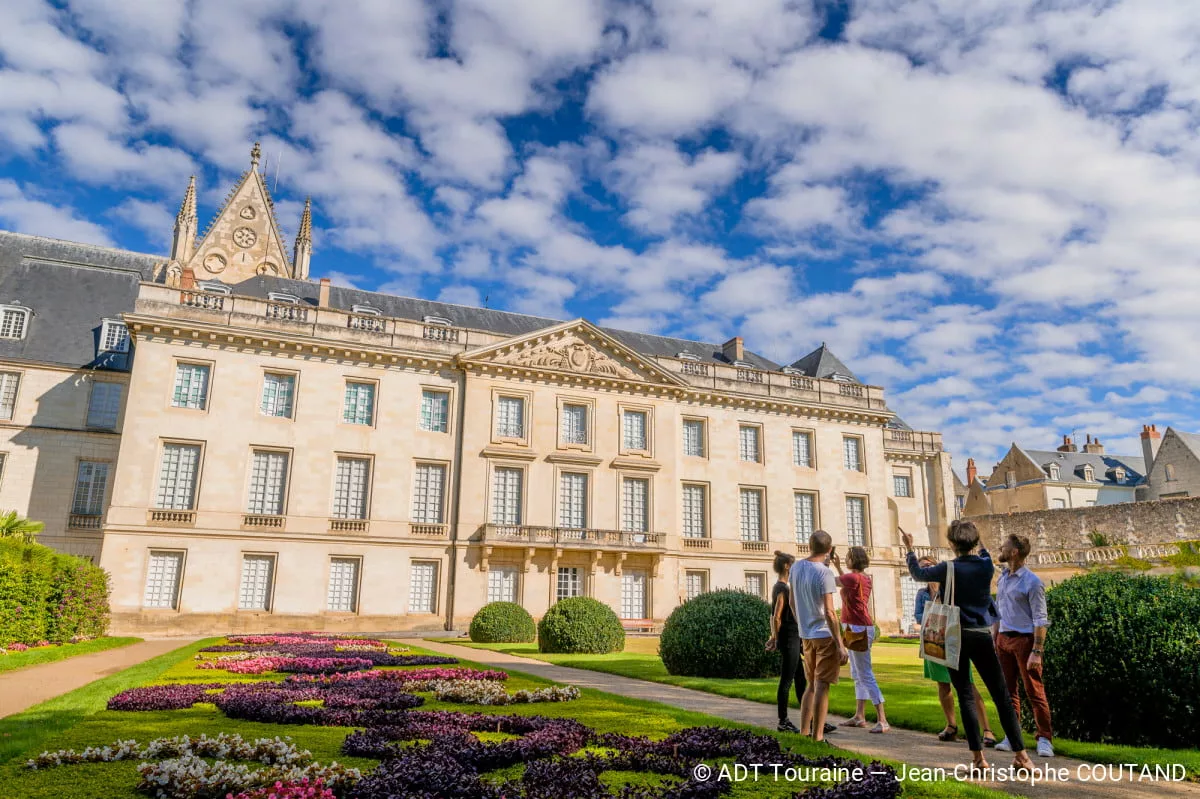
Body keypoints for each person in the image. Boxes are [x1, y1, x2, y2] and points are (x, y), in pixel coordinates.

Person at [903, 521, 1034, 773]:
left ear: (951, 544)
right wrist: (980, 538)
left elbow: (918, 574)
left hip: (954, 635)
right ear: (974, 542)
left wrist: (909, 548)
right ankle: (1022, 755)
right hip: (981, 634)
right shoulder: (986, 565)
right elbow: (985, 552)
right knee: (1001, 696)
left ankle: (978, 759)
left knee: (964, 696)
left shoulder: (948, 567)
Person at [914, 557, 997, 747]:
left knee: (968, 685)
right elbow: (919, 616)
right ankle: (951, 725)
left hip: (954, 640)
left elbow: (961, 612)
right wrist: (933, 598)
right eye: (923, 567)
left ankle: (987, 730)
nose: (926, 569)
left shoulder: (953, 587)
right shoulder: (922, 594)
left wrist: (939, 595)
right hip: (934, 640)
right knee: (943, 685)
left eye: (929, 565)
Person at [993, 534, 1055, 758]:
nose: (1001, 547)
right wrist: (995, 637)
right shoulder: (1003, 578)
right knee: (1008, 693)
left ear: (1014, 552)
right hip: (1004, 639)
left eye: (1005, 545)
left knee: (1034, 692)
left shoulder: (1032, 582)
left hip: (1025, 641)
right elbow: (999, 610)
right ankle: (1012, 736)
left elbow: (1040, 619)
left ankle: (1045, 739)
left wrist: (1037, 651)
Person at [790, 530, 849, 743]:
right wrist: (840, 644)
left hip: (806, 635)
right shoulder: (824, 573)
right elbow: (830, 612)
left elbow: (791, 602)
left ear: (809, 546)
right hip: (824, 635)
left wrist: (802, 624)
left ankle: (804, 731)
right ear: (830, 550)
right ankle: (818, 736)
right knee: (822, 685)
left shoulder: (796, 567)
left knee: (811, 685)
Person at [830, 546, 889, 733]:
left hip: (858, 627)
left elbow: (830, 582)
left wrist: (823, 565)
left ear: (853, 559)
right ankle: (859, 716)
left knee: (865, 673)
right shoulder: (863, 578)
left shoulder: (853, 578)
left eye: (847, 557)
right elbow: (846, 582)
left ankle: (882, 719)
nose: (845, 559)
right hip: (858, 626)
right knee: (857, 673)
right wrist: (837, 566)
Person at [767, 550, 805, 733]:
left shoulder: (782, 587)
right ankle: (783, 721)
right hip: (789, 638)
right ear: (787, 566)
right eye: (794, 564)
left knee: (801, 680)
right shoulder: (782, 588)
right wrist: (774, 638)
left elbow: (773, 616)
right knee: (787, 680)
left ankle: (811, 719)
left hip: (792, 637)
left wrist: (773, 636)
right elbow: (776, 616)